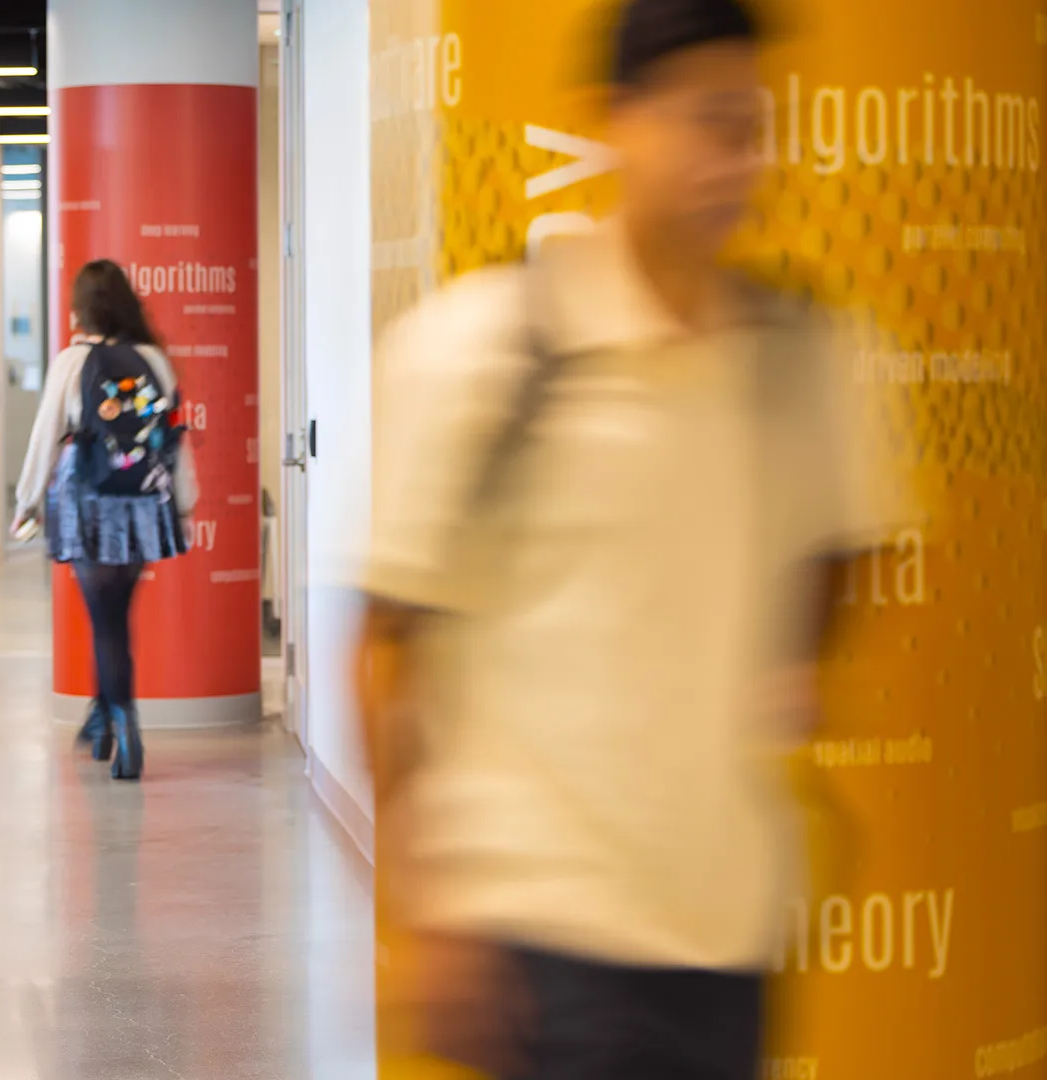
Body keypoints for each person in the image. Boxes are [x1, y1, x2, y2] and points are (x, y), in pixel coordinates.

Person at [354, 1, 897, 1076]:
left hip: (726, 924)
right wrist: (429, 918)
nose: (733, 162)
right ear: (615, 121)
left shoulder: (802, 358)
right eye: (706, 122)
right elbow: (385, 647)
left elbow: (848, 544)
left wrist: (783, 666)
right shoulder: (484, 353)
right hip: (544, 923)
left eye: (751, 127)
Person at [12, 261, 199, 782]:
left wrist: (26, 502)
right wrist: (185, 501)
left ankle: (124, 723)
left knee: (105, 618)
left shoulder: (72, 361)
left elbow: (46, 436)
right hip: (142, 505)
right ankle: (102, 715)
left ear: (82, 308)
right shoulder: (154, 361)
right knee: (115, 614)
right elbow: (173, 438)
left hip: (88, 502)